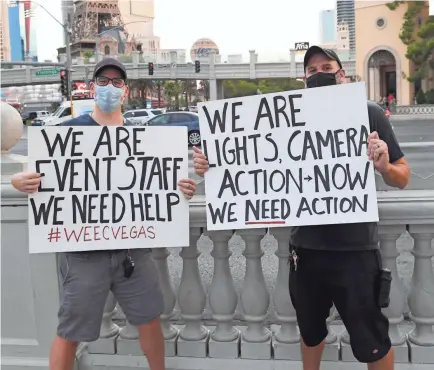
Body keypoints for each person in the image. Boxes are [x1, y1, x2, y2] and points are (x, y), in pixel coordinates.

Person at [193, 46, 410, 370]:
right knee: (310, 332)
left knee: (372, 340)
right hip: (305, 251)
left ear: (341, 74)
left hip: (356, 251)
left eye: (326, 66)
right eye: (311, 69)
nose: (318, 73)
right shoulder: (286, 120)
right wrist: (213, 165)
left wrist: (384, 166)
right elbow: (252, 165)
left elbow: (403, 176)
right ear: (304, 78)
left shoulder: (368, 113)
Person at [11, 58, 197, 370]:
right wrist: (19, 181)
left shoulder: (144, 138)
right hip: (83, 253)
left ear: (125, 91)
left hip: (132, 251)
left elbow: (165, 181)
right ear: (93, 86)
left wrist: (184, 188)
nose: (109, 87)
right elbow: (36, 176)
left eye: (116, 82)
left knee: (150, 320)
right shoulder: (67, 133)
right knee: (70, 331)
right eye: (103, 80)